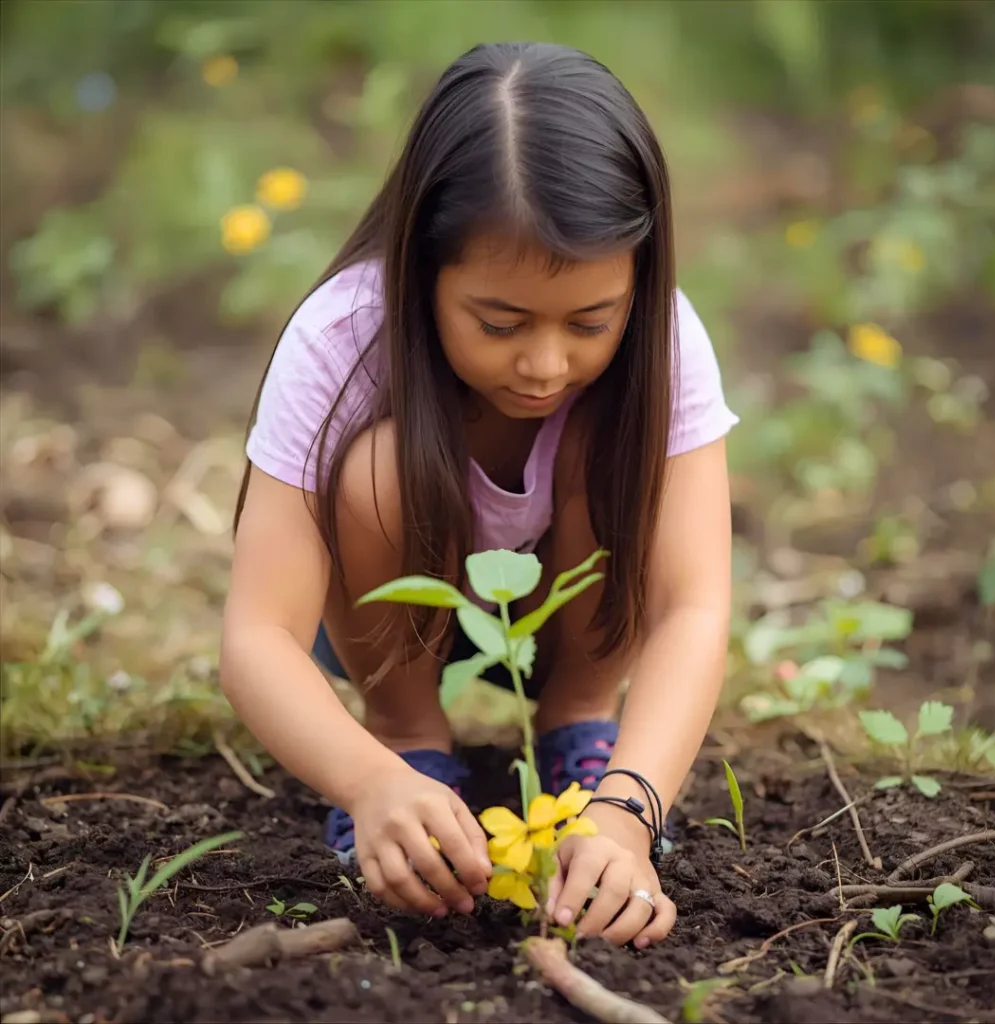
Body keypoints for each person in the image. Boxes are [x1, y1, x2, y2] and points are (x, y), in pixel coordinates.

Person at [222, 41, 736, 950]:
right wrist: (368, 782)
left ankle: (581, 724)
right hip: (381, 606)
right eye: (499, 323)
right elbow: (258, 633)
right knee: (380, 470)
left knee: (601, 438)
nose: (545, 366)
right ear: (423, 271)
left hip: (574, 605)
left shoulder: (665, 340)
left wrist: (627, 808)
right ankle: (410, 738)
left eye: (590, 322)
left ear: (637, 279)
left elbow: (692, 604)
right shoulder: (343, 337)